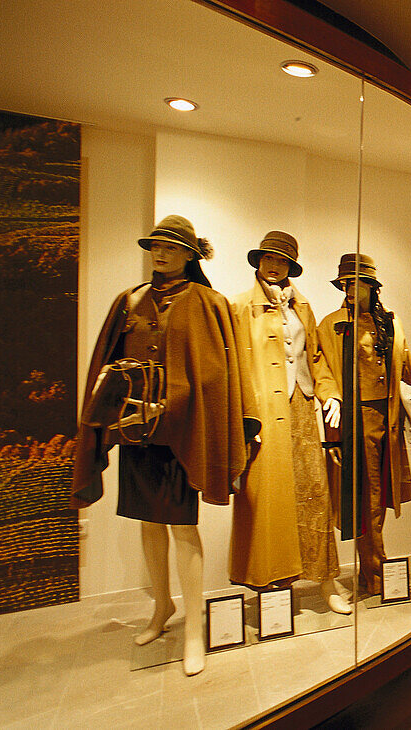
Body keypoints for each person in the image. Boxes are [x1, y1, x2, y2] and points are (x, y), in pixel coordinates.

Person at [71, 215, 259, 676]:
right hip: (138, 434)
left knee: (181, 528)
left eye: (171, 248)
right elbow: (108, 364)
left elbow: (219, 374)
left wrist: (185, 401)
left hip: (183, 436)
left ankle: (194, 627)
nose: (160, 254)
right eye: (156, 246)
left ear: (190, 255)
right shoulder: (130, 300)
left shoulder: (208, 303)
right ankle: (162, 608)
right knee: (148, 523)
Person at [228, 232, 349, 613]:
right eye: (268, 257)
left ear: (291, 266)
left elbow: (315, 355)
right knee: (267, 501)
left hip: (300, 407)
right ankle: (271, 589)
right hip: (262, 415)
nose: (273, 264)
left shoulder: (303, 306)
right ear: (259, 260)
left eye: (281, 260)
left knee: (314, 493)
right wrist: (244, 417)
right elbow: (237, 367)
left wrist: (330, 393)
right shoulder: (241, 306)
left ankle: (327, 580)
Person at [317, 253, 411, 595]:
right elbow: (321, 368)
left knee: (382, 495)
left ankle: (373, 570)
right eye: (344, 282)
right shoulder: (331, 324)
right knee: (367, 498)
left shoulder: (390, 323)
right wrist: (330, 397)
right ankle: (376, 571)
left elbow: (405, 370)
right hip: (355, 423)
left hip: (387, 421)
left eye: (355, 282)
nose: (348, 288)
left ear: (371, 286)